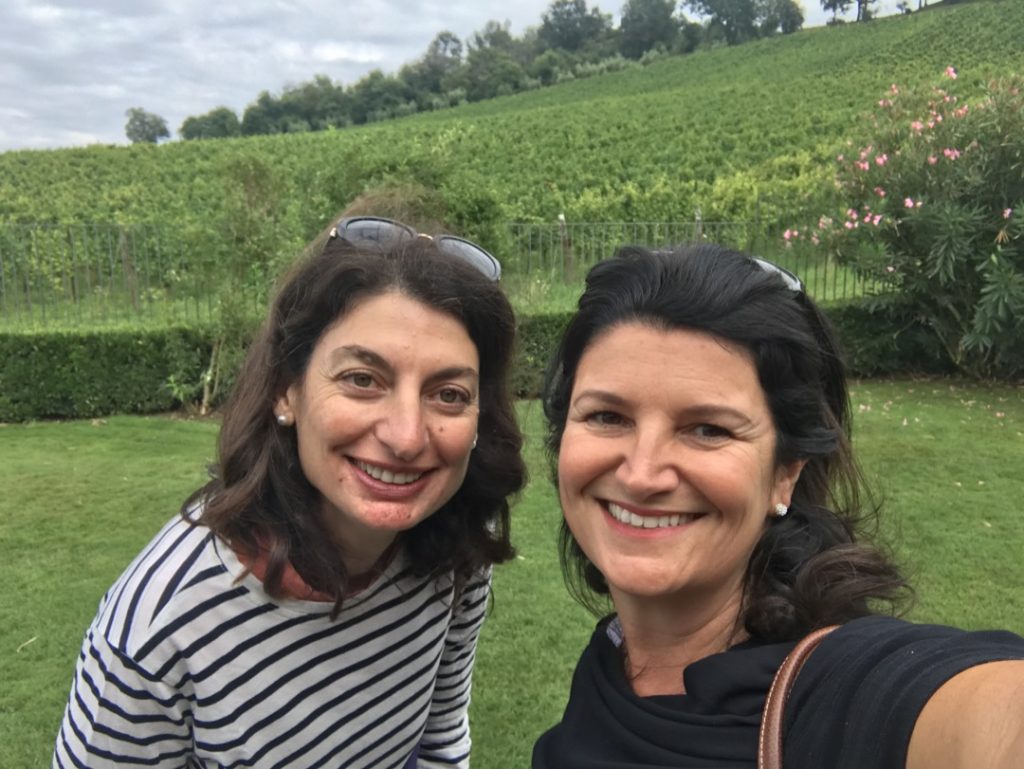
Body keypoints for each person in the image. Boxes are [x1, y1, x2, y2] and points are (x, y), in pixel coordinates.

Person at [54, 217, 525, 769]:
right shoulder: (158, 627)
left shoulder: (460, 549)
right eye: (362, 379)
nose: (406, 437)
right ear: (286, 391)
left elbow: (440, 737)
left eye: (448, 394)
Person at [532, 244, 1024, 769]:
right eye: (607, 417)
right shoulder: (611, 660)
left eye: (708, 429)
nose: (641, 474)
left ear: (786, 474)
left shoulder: (839, 694)